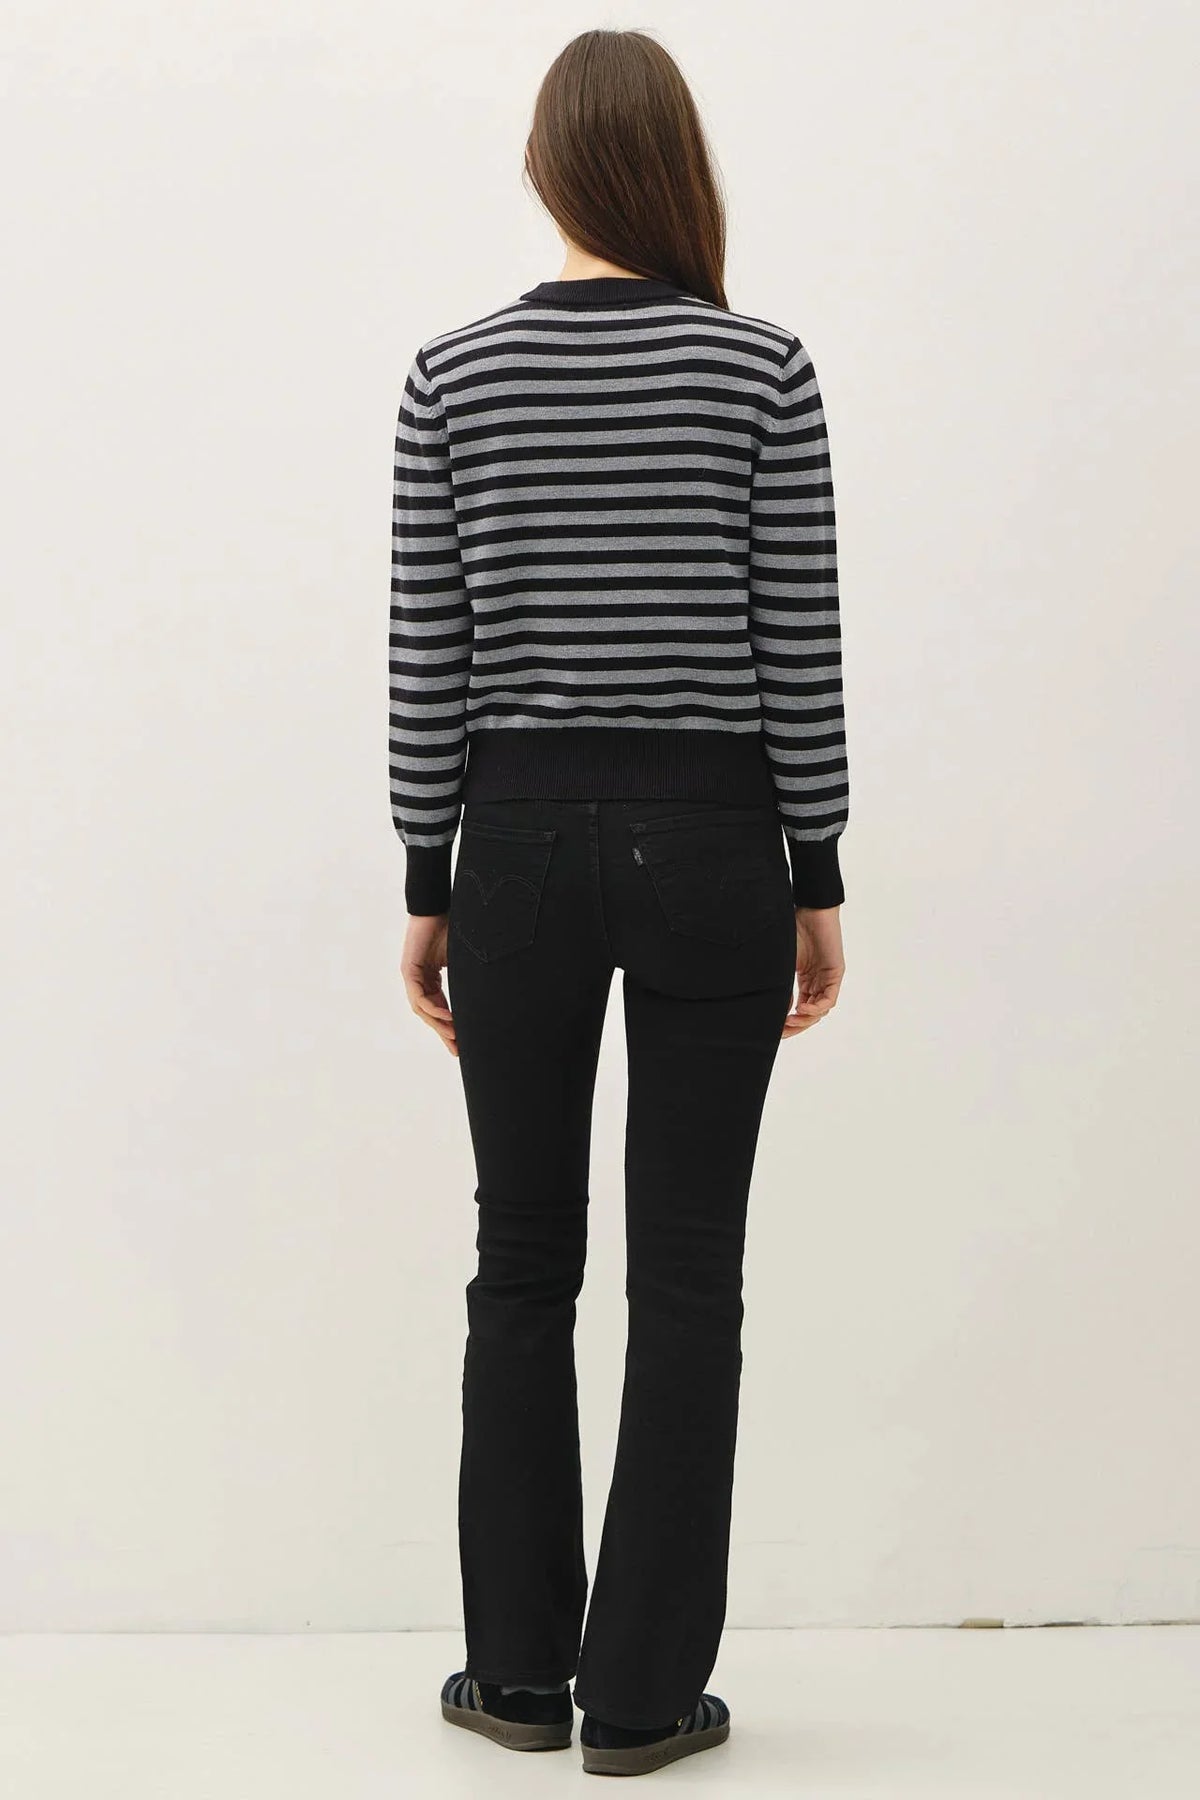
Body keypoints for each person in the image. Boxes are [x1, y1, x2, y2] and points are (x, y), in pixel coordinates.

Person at [389, 27, 848, 1779]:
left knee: (521, 1259)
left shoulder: (453, 377)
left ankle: (515, 1677)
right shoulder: (762, 370)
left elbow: (430, 652)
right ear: (673, 167)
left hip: (508, 845)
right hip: (717, 845)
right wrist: (817, 872)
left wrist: (426, 874)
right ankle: (642, 1699)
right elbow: (797, 642)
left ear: (544, 167)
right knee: (688, 1274)